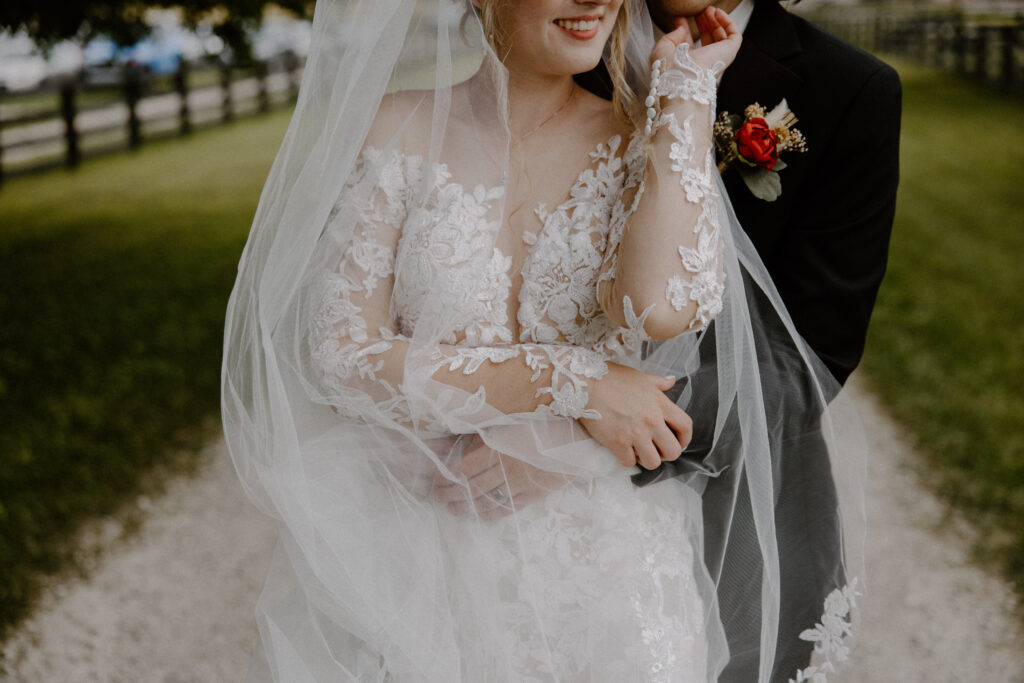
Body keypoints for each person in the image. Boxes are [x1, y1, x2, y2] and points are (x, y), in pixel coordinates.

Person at [221, 1, 867, 681]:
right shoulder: (394, 127)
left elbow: (660, 309)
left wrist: (686, 94)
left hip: (606, 582)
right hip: (415, 566)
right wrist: (573, 381)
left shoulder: (638, 140)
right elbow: (341, 357)